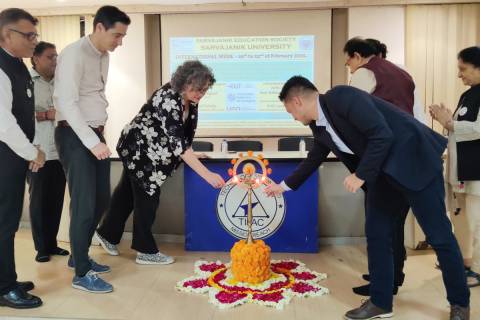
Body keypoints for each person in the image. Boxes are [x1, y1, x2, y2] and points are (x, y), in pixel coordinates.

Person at [265, 76, 469, 320]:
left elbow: (381, 134)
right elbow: (315, 157)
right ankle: (381, 303)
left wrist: (360, 175)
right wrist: (284, 186)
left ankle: (460, 304)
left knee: (439, 236)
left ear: (297, 101)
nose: (293, 118)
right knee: (377, 233)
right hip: (383, 174)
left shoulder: (342, 97)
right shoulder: (318, 125)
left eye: (290, 112)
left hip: (416, 163)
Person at [95, 60, 225, 264]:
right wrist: (207, 175)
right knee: (148, 197)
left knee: (127, 194)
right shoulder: (168, 97)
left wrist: (191, 153)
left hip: (148, 152)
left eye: (205, 90)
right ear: (185, 82)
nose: (201, 94)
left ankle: (106, 234)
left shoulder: (190, 100)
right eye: (198, 89)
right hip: (139, 150)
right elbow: (178, 143)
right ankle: (145, 250)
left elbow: (182, 136)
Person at [53, 5, 130, 293]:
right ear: (98, 27)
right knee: (84, 204)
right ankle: (81, 275)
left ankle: (79, 255)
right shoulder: (74, 53)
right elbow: (66, 102)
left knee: (100, 200)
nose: (119, 42)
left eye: (122, 37)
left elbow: (94, 96)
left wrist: (99, 136)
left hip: (93, 135)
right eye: (116, 35)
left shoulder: (104, 56)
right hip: (75, 136)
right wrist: (92, 141)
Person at [344, 37, 416, 297]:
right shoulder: (404, 75)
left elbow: (354, 112)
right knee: (395, 221)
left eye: (348, 60)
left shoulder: (365, 73)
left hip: (381, 154)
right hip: (407, 153)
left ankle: (382, 283)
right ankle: (392, 274)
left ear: (358, 56)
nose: (347, 65)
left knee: (378, 222)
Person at [0, 8, 45, 309]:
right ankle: (4, 289)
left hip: (15, 155)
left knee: (9, 222)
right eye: (28, 35)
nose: (34, 41)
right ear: (6, 34)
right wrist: (32, 152)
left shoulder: (17, 65)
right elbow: (3, 121)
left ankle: (6, 279)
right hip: (4, 155)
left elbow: (23, 115)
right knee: (4, 223)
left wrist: (32, 150)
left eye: (35, 35)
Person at [430, 46, 480, 288]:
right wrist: (449, 120)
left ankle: (478, 271)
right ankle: (465, 262)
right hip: (463, 168)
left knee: (479, 222)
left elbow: (478, 129)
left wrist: (449, 123)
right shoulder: (469, 94)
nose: (459, 75)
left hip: (478, 171)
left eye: (463, 69)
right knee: (464, 220)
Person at [28, 41, 68, 263]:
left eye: (56, 57)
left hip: (60, 151)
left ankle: (52, 244)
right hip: (37, 150)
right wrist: (45, 115)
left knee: (56, 199)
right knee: (39, 200)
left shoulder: (60, 82)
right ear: (36, 58)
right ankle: (41, 248)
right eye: (50, 57)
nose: (55, 61)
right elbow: (15, 116)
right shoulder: (26, 81)